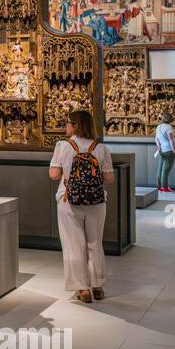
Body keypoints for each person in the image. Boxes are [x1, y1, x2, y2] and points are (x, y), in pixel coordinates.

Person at [49, 109, 115, 304]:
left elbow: (53, 174)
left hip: (69, 200)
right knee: (95, 242)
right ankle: (98, 285)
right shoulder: (101, 148)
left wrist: (67, 173)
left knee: (73, 244)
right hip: (96, 201)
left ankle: (82, 288)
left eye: (68, 122)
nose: (66, 126)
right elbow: (109, 178)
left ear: (75, 125)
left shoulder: (63, 146)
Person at [154, 111, 175, 193]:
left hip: (162, 151)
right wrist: (174, 150)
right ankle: (165, 188)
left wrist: (159, 147)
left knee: (160, 169)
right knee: (166, 170)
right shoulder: (169, 127)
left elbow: (156, 139)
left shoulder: (158, 127)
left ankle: (159, 187)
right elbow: (171, 139)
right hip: (168, 150)